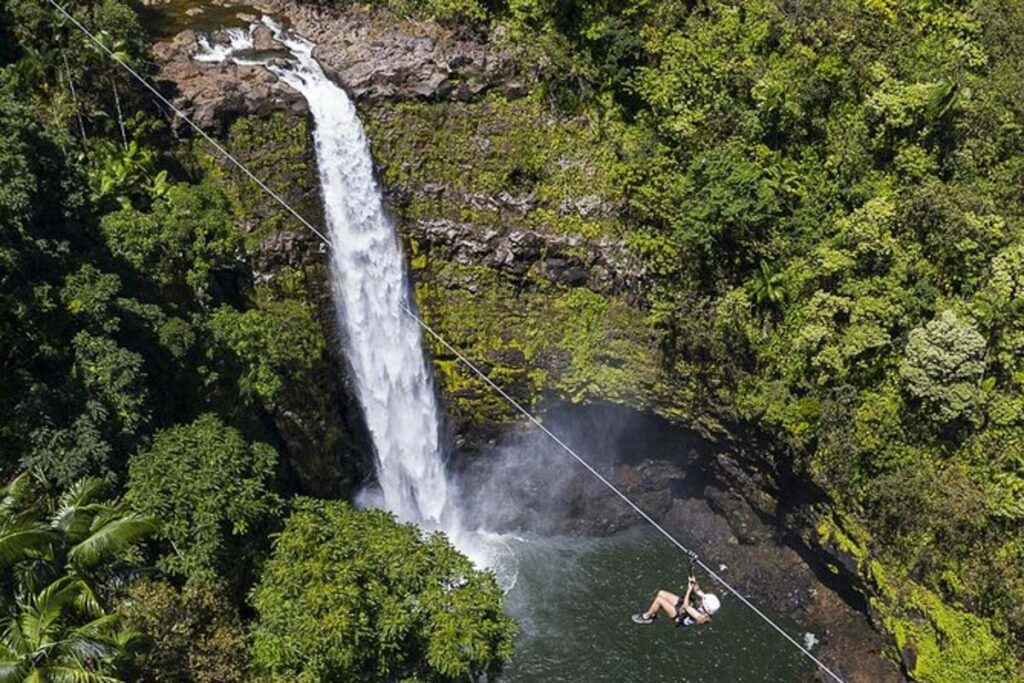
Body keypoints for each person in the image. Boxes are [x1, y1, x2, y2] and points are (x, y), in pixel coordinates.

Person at [632, 575, 721, 625]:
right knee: (661, 593)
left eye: (703, 600)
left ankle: (647, 617)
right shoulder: (705, 602)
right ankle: (654, 611)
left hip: (680, 615)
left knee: (659, 600)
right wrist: (694, 581)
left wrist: (689, 590)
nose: (702, 599)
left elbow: (686, 607)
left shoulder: (699, 615)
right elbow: (697, 590)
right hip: (684, 606)